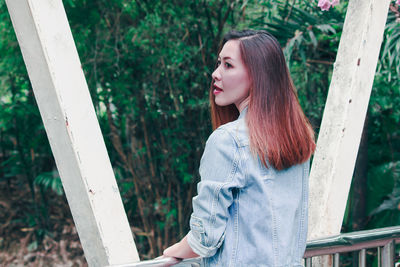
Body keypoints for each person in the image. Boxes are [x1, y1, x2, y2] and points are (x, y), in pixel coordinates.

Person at [163, 29, 316, 266]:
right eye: (218, 64)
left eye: (228, 65)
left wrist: (171, 252)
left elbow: (204, 237)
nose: (215, 74)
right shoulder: (296, 137)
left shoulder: (228, 140)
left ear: (257, 75)